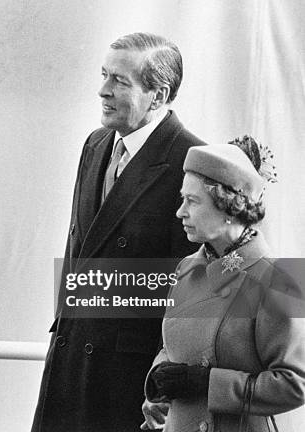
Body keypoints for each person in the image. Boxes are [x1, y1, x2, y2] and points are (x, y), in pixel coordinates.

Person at [32, 32, 206, 431]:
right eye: (104, 75)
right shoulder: (95, 144)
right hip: (70, 351)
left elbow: (190, 291)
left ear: (158, 95)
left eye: (119, 81)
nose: (102, 90)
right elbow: (79, 247)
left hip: (128, 375)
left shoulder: (191, 161)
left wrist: (161, 384)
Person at [141, 138, 305, 431]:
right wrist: (160, 382)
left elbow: (294, 383)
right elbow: (173, 346)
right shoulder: (187, 269)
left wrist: (208, 384)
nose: (180, 211)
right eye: (183, 199)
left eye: (192, 201)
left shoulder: (275, 280)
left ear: (230, 207)